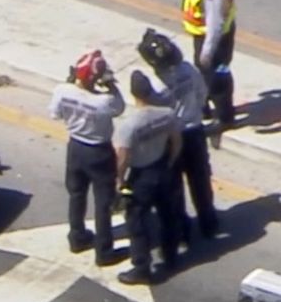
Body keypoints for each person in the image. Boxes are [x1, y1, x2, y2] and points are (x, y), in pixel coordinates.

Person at [137, 28, 220, 240]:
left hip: (170, 139)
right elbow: (202, 94)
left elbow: (151, 114)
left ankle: (183, 229)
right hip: (194, 132)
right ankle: (208, 222)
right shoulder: (188, 70)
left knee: (174, 186)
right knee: (200, 180)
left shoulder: (155, 86)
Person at [48, 50, 125, 266]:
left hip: (75, 147)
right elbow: (120, 106)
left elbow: (54, 114)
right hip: (99, 151)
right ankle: (104, 250)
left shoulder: (62, 92)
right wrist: (111, 85)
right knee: (103, 203)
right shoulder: (104, 102)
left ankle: (77, 236)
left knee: (76, 194)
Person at [113, 71, 183, 285]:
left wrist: (120, 181)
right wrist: (169, 163)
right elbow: (177, 141)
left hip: (141, 175)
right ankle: (170, 255)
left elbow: (122, 158)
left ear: (133, 94)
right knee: (167, 215)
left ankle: (142, 267)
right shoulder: (166, 114)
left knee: (137, 222)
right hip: (162, 168)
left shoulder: (129, 125)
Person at [177, 0, 237, 128]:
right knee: (203, 75)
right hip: (203, 35)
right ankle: (203, 107)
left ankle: (224, 117)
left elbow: (215, 24)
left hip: (215, 39)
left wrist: (208, 51)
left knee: (217, 77)